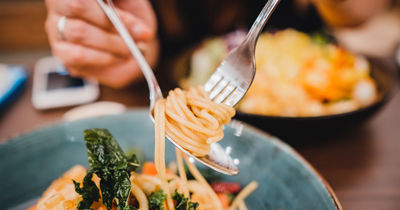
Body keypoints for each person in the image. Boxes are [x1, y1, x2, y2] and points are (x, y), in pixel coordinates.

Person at [45, 0, 399, 89]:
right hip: (164, 80)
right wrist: (116, 42)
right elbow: (145, 38)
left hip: (325, 126)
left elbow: (359, 11)